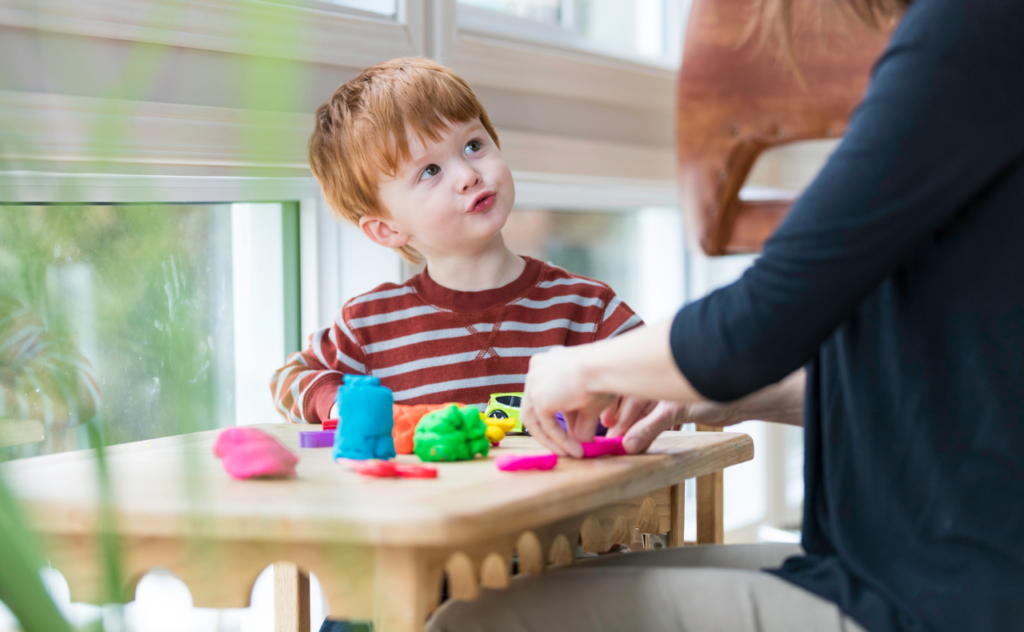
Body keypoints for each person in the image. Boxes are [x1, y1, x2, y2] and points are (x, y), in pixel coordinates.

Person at [427, 0, 1024, 630]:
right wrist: (714, 398)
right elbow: (948, 383)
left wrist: (580, 366)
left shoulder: (971, 29)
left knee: (470, 621)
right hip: (920, 566)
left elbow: (760, 322)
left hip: (950, 596)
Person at [269, 58, 656, 426]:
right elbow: (288, 379)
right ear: (386, 229)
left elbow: (665, 378)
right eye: (430, 171)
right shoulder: (370, 325)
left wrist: (617, 395)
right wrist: (339, 403)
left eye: (473, 145)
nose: (468, 175)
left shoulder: (585, 308)